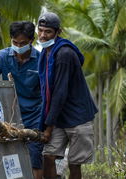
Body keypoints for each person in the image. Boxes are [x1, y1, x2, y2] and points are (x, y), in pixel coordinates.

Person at [36, 12, 98, 179]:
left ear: (58, 32)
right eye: (40, 30)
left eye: (47, 31)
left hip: (77, 116)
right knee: (48, 155)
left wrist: (48, 128)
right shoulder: (45, 52)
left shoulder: (64, 54)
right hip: (59, 116)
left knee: (74, 163)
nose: (42, 35)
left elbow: (60, 93)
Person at [0, 21, 43, 179]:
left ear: (31, 41)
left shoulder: (40, 59)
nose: (18, 46)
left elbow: (46, 91)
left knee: (34, 158)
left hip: (34, 116)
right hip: (10, 116)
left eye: (23, 43)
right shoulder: (3, 56)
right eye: (15, 42)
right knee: (11, 157)